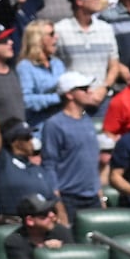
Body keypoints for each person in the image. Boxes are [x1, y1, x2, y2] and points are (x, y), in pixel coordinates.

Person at [40, 71, 104, 214]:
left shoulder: (87, 120)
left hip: (93, 198)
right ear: (69, 94)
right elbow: (49, 166)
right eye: (84, 89)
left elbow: (92, 163)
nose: (90, 91)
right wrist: (59, 206)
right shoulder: (54, 125)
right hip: (69, 199)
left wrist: (100, 195)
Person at [3, 192, 75, 259]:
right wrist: (44, 252)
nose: (52, 215)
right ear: (30, 220)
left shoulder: (60, 231)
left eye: (52, 210)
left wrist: (63, 249)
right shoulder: (15, 241)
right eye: (44, 214)